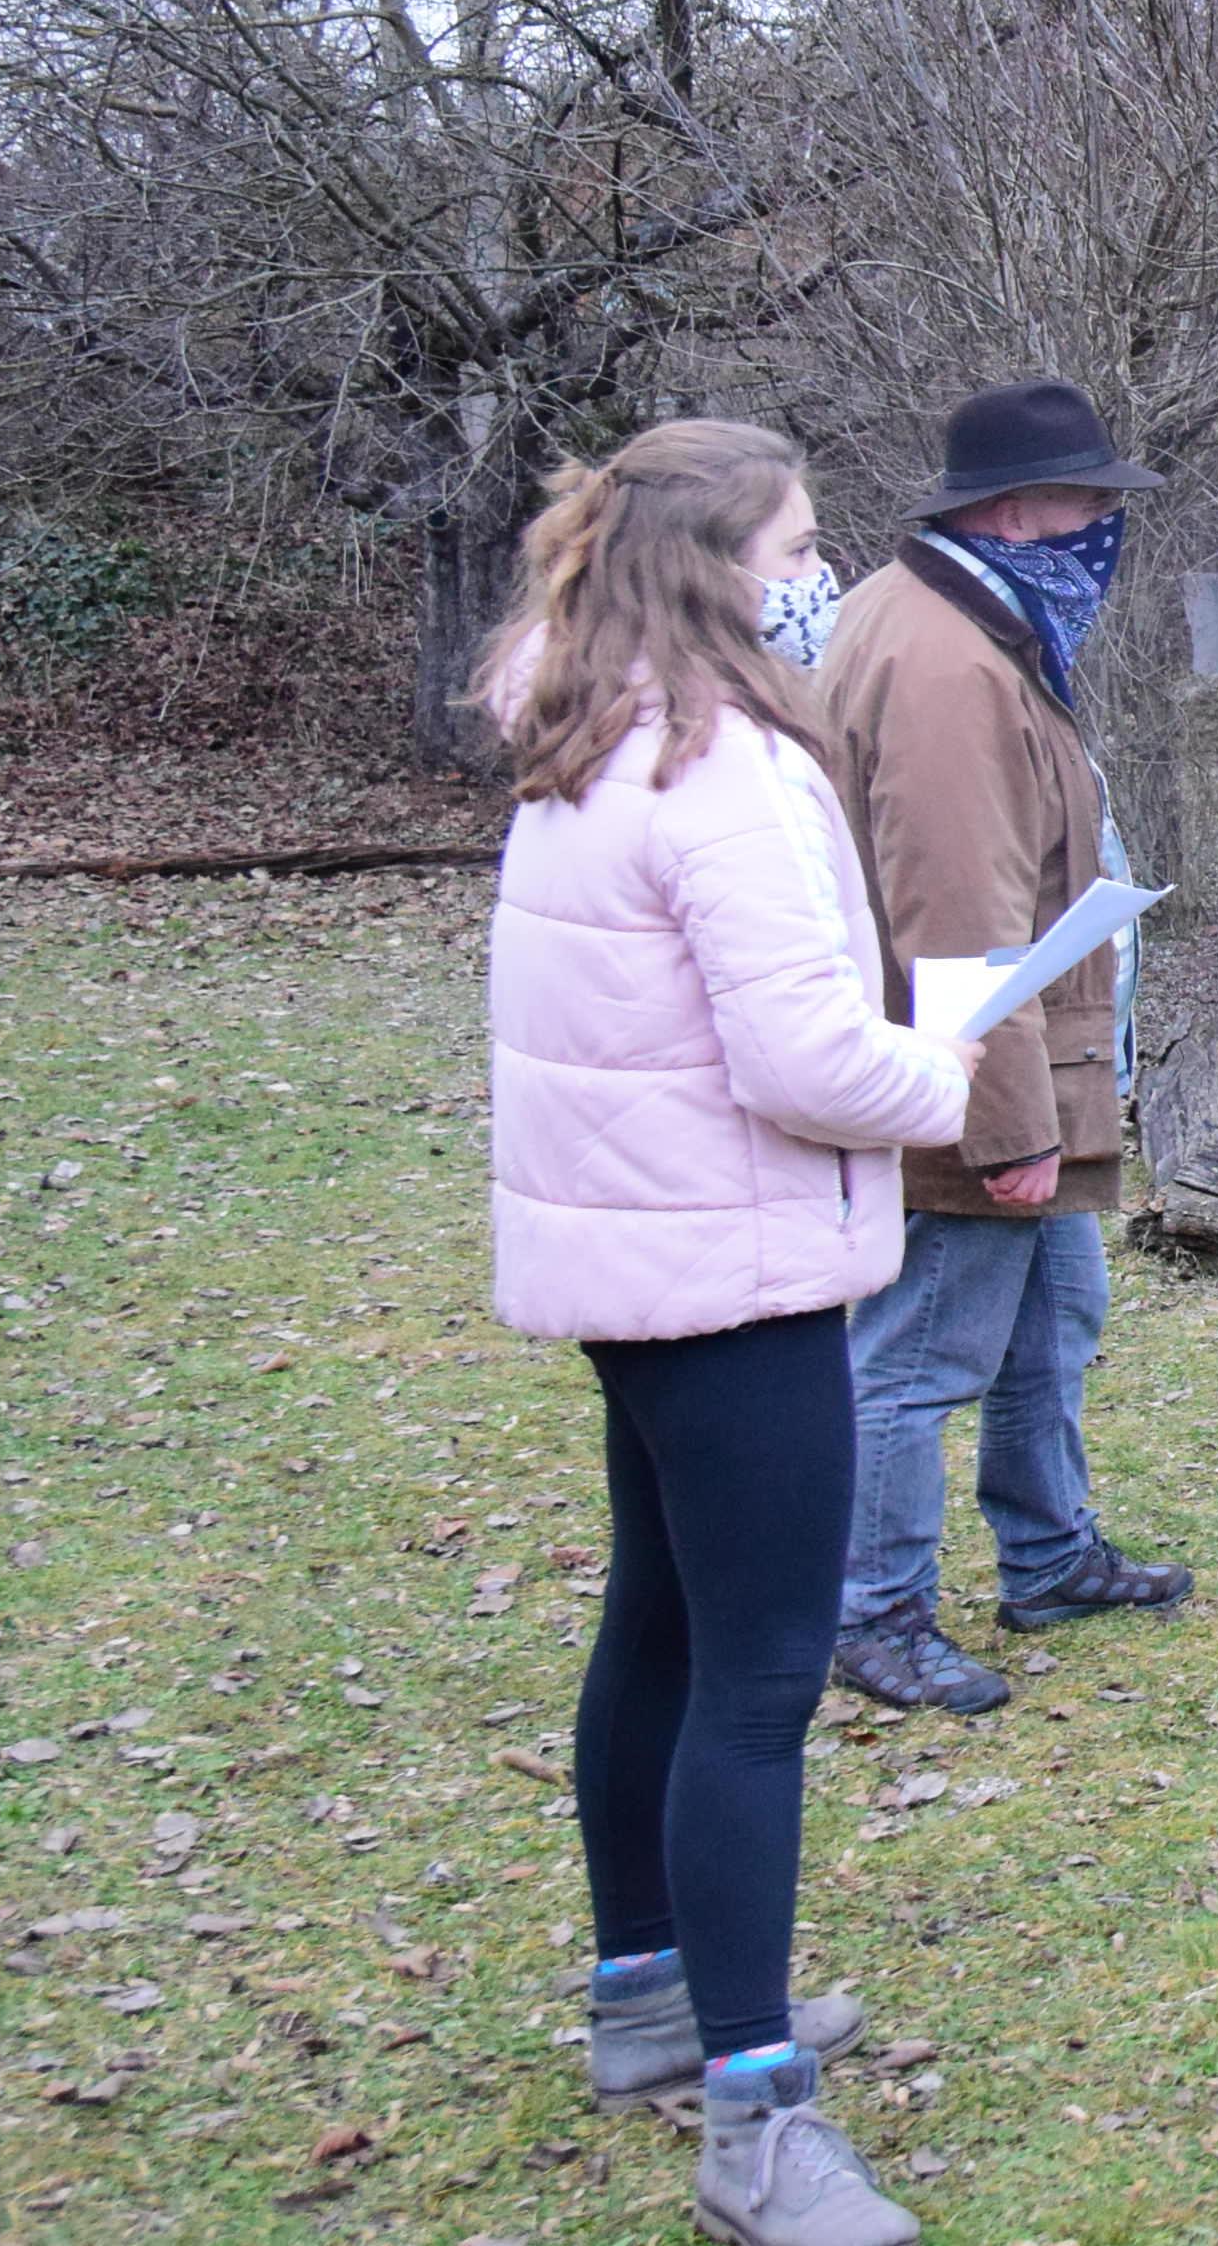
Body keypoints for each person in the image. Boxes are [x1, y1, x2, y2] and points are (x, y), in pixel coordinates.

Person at [482, 420, 971, 2246]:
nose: (815, 569)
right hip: (733, 1270)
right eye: (799, 542)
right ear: (722, 562)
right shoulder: (722, 763)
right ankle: (755, 2120)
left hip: (639, 1261)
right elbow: (805, 1057)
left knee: (662, 1625)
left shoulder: (581, 724)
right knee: (758, 1682)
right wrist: (948, 1061)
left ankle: (648, 2002)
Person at [820, 380, 1194, 1717]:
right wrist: (1009, 1124)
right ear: (1017, 510)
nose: (1105, 523)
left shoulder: (971, 622)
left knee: (1053, 1321)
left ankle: (1049, 1555)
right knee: (919, 1356)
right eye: (1091, 499)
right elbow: (957, 910)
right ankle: (875, 1616)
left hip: (1029, 1059)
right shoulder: (942, 662)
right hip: (984, 1074)